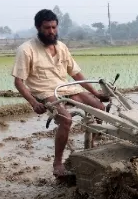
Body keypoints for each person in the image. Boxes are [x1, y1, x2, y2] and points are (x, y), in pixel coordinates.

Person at [12, 9, 109, 179]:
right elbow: (18, 82)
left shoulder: (61, 47)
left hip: (67, 88)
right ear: (38, 27)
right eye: (47, 28)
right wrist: (33, 102)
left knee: (99, 108)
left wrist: (95, 92)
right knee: (66, 119)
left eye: (54, 27)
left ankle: (92, 148)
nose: (51, 31)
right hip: (46, 91)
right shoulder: (26, 50)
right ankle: (58, 164)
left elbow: (75, 73)